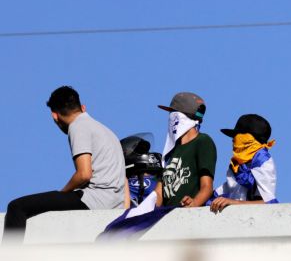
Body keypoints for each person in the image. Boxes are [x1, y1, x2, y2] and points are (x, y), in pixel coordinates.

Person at [3, 86, 127, 243]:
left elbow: (84, 174)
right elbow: (123, 181)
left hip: (94, 199)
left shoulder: (78, 126)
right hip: (115, 202)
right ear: (83, 107)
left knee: (16, 207)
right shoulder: (107, 131)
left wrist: (63, 193)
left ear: (54, 115)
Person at [155, 91, 217, 208]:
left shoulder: (203, 142)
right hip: (166, 219)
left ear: (178, 116)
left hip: (189, 219)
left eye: (172, 113)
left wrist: (193, 204)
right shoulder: (170, 150)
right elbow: (158, 193)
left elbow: (207, 187)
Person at [210, 114, 277, 213]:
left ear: (247, 139)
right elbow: (227, 190)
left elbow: (269, 203)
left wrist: (233, 203)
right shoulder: (237, 164)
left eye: (238, 137)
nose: (233, 140)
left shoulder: (263, 161)